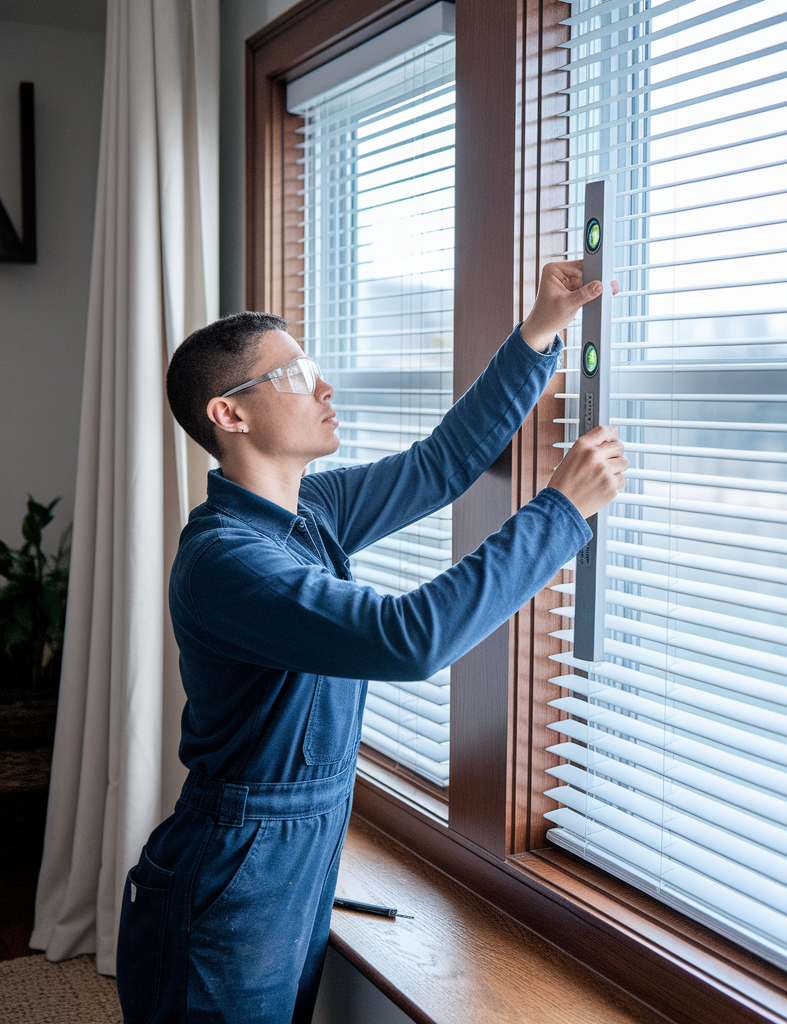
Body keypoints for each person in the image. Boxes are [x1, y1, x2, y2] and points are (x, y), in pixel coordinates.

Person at [115, 261, 627, 1023]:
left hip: (295, 861)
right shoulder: (227, 562)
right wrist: (558, 512)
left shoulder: (308, 510)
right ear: (230, 415)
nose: (324, 389)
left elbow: (441, 464)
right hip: (232, 878)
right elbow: (408, 639)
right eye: (295, 375)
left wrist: (542, 329)